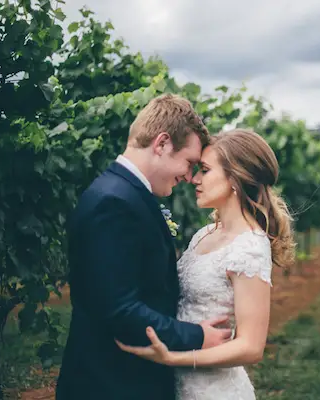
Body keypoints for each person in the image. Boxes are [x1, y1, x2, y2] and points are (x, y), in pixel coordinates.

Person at [55, 94, 233, 400]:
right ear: (162, 144)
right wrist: (197, 336)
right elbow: (120, 311)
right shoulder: (114, 202)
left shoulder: (123, 193)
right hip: (111, 385)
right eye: (189, 163)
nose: (190, 177)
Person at [116, 128, 296, 399]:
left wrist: (174, 359)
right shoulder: (204, 235)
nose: (194, 179)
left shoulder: (249, 248)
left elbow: (251, 347)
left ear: (235, 178)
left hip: (213, 390)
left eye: (205, 170)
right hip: (175, 385)